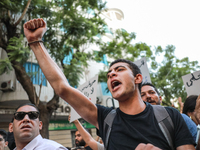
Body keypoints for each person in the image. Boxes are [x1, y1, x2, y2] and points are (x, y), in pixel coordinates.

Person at [23, 18, 195, 149]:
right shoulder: (106, 118)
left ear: (137, 79)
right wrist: (35, 42)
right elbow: (62, 88)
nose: (112, 73)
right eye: (109, 73)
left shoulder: (169, 116)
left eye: (119, 69)